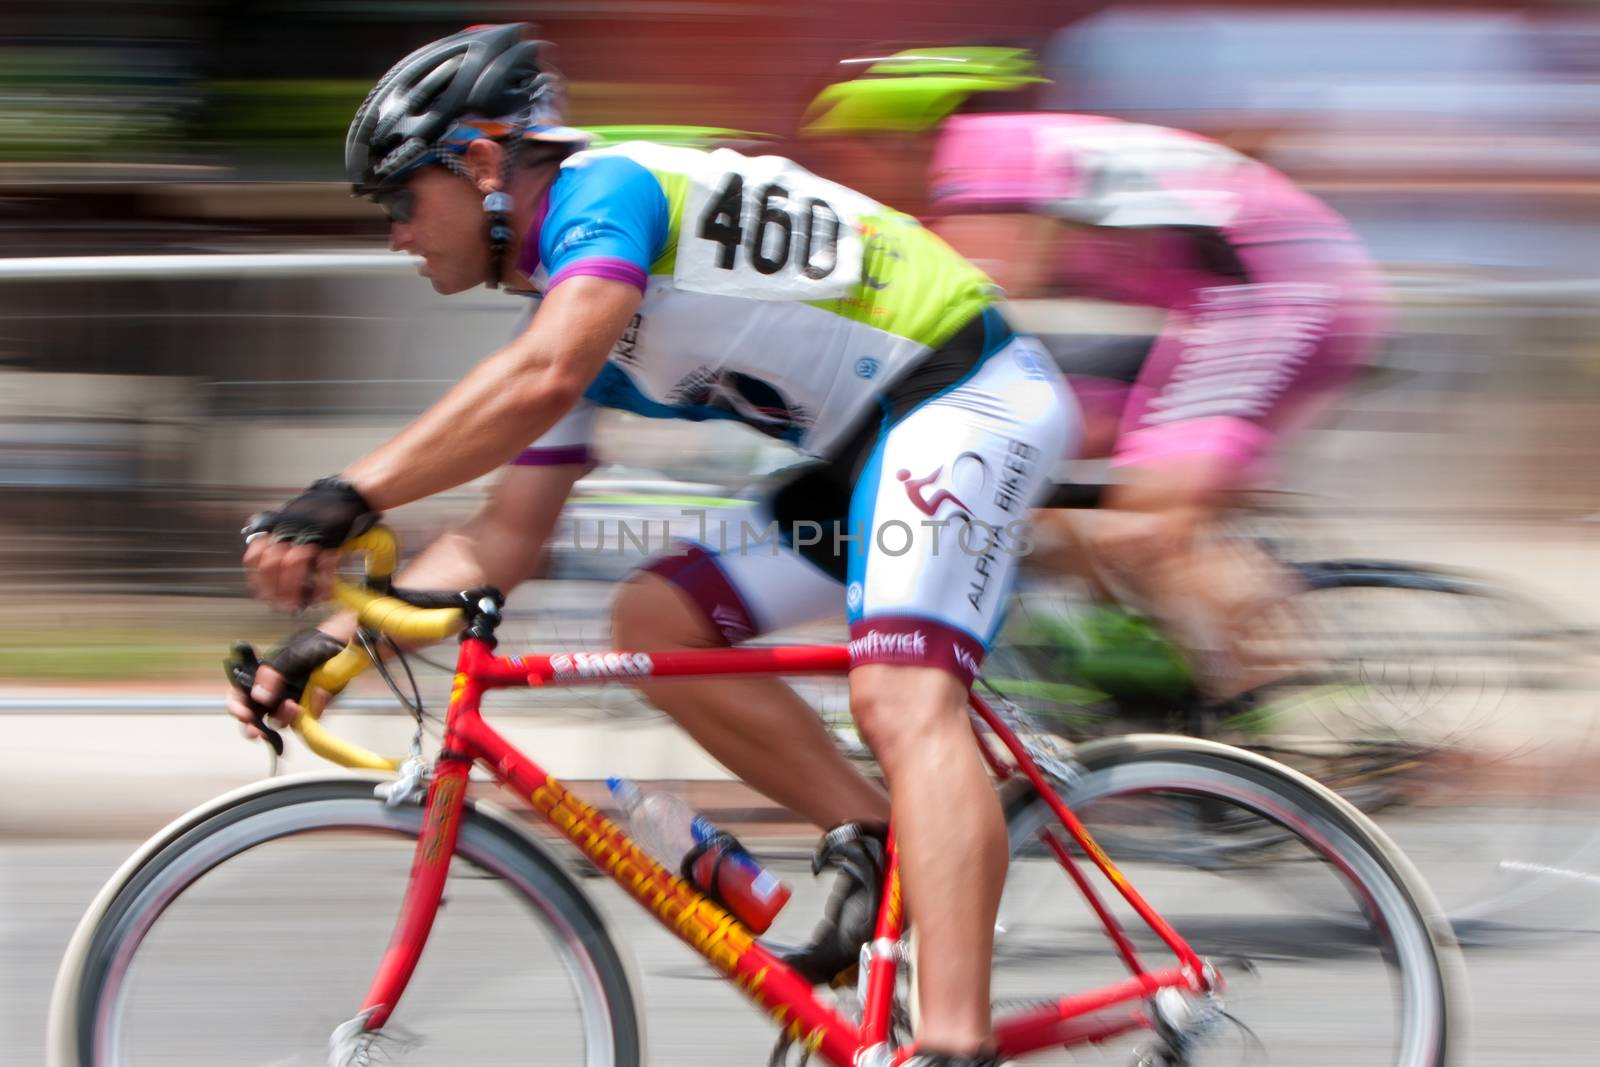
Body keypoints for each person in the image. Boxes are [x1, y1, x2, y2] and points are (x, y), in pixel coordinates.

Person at [227, 24, 1075, 1067]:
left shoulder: (607, 192)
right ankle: (879, 835)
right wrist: (323, 648)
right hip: (864, 450)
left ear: (483, 164)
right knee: (655, 621)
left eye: (402, 199)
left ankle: (953, 1042)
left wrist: (347, 493)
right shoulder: (569, 305)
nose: (397, 234)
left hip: (969, 398)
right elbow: (501, 536)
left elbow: (541, 375)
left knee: (900, 695)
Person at [800, 46, 1390, 702]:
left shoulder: (983, 151)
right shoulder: (977, 175)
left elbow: (977, 295)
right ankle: (1143, 655)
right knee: (1042, 462)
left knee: (1143, 527)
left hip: (1274, 294)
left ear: (900, 140)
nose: (844, 179)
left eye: (850, 157)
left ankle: (1264, 697)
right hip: (1222, 301)